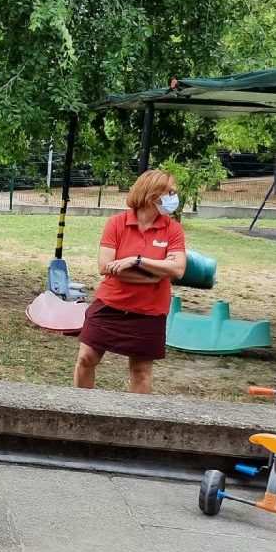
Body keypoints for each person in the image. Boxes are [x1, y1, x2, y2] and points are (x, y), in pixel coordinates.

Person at [74, 169, 186, 394]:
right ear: (152, 194)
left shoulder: (173, 229)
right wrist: (154, 275)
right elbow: (105, 267)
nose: (174, 196)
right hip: (109, 305)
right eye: (170, 191)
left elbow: (177, 269)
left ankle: (136, 422)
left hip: (149, 311)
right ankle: (82, 409)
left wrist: (135, 260)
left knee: (141, 371)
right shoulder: (117, 223)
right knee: (86, 359)